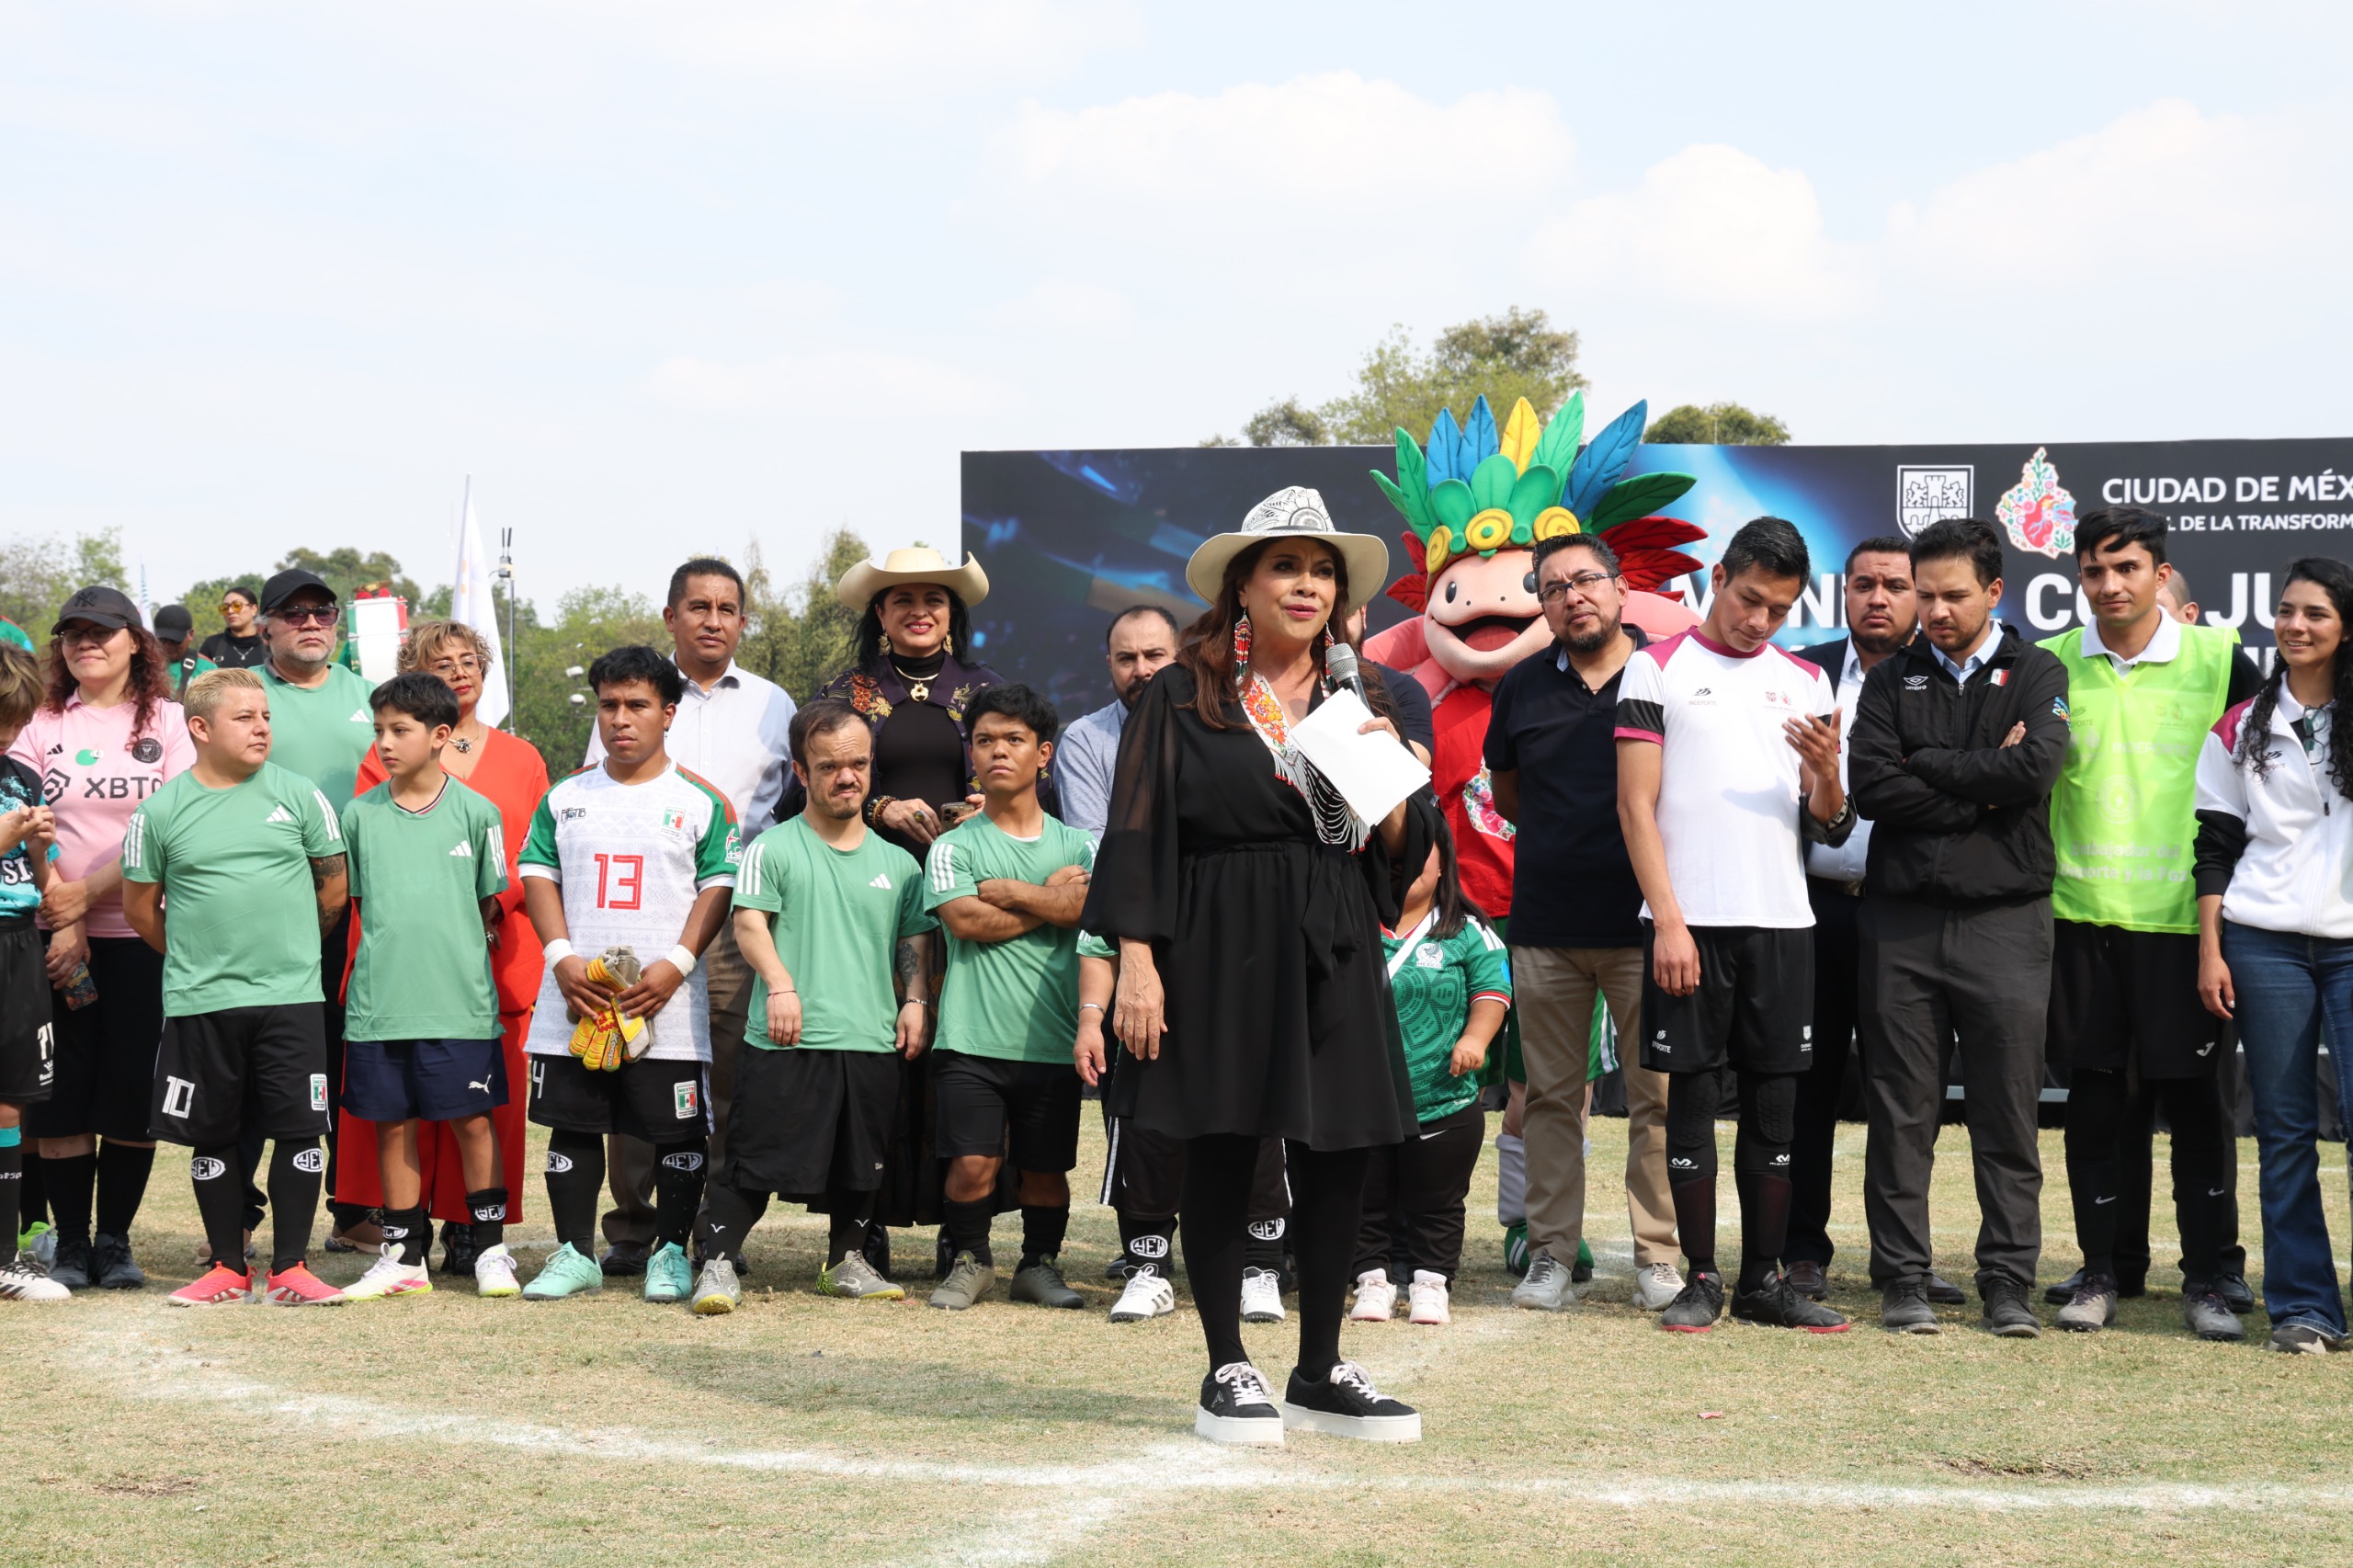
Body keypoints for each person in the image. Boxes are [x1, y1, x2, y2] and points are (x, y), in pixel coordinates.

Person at [1084, 484, 1438, 1447]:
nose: (1306, 585)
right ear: (1242, 584)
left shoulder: (1363, 696)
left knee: (1341, 1150)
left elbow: (1402, 850)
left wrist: (1390, 783)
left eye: (1323, 571)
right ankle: (1225, 1365)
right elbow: (1136, 832)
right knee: (1224, 1143)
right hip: (1216, 936)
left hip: (1334, 935)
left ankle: (1319, 1368)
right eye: (1286, 566)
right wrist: (1137, 959)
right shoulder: (1180, 692)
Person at [1616, 516, 1855, 1334]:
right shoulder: (1656, 667)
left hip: (1783, 924)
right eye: (1750, 599)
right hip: (1689, 925)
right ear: (1718, 578)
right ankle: (1701, 1278)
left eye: (1779, 609)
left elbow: (1829, 822)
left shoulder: (1808, 681)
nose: (1760, 620)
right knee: (1690, 1096)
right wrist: (1670, 923)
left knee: (1776, 1103)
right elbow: (1635, 806)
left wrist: (1827, 774)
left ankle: (1763, 1280)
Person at [2040, 506, 2262, 1338]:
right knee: (2097, 1105)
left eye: (2126, 568)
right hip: (2081, 922)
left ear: (2160, 575)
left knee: (2198, 1106)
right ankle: (2103, 1271)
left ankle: (2208, 1279)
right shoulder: (2051, 660)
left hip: (2187, 927)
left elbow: (2262, 782)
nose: (2109, 585)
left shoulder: (2219, 659)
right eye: (2094, 571)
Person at [1847, 517, 2069, 1336]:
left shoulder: (2037, 670)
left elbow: (2034, 770)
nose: (1936, 611)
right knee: (1900, 1113)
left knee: (2007, 1115)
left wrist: (1930, 766)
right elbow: (1873, 788)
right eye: (1926, 594)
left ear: (1995, 592)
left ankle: (2007, 1282)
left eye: (1954, 596)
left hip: (2006, 924)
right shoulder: (1889, 680)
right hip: (1900, 923)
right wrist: (1983, 789)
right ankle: (1903, 1277)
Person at [795, 544, 1017, 1280]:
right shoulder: (843, 694)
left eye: (934, 599)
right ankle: (861, 1229)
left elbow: (1031, 785)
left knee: (965, 1060)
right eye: (902, 600)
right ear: (879, 613)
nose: (919, 611)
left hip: (973, 898)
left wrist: (990, 803)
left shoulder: (990, 689)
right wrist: (879, 806)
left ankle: (964, 1231)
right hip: (867, 900)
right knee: (873, 1058)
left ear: (953, 613)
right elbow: (801, 791)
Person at [1486, 532, 1680, 1313]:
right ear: (1542, 605)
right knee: (1550, 1098)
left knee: (1656, 1098)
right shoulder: (1521, 685)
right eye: (1554, 587)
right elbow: (1509, 795)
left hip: (1647, 925)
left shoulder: (1666, 674)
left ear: (1621, 588)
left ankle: (1659, 1256)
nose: (1573, 596)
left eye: (1587, 580)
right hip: (1546, 926)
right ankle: (1550, 1256)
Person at [689, 699, 936, 1312]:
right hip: (788, 1037)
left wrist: (914, 1001)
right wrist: (780, 985)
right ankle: (717, 1264)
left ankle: (844, 1263)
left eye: (858, 764)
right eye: (829, 767)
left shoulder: (900, 864)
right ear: (801, 772)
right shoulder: (772, 848)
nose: (846, 777)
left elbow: (913, 938)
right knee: (751, 1164)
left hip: (871, 1037)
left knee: (862, 1165)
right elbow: (749, 924)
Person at [586, 560, 796, 1278]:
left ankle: (715, 1228)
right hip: (644, 915)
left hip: (737, 918)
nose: (713, 620)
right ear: (671, 616)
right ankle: (633, 1225)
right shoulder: (633, 695)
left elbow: (789, 808)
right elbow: (600, 793)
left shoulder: (773, 704)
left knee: (727, 1075)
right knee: (635, 1061)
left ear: (743, 621)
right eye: (698, 606)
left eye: (727, 608)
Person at [515, 646, 737, 1304]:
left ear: (668, 713)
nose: (620, 718)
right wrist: (561, 958)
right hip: (577, 998)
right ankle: (574, 1253)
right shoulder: (565, 796)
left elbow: (719, 885)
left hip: (665, 1002)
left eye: (637, 704)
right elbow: (537, 875)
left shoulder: (701, 801)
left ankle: (669, 1253)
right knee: (574, 1124)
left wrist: (678, 965)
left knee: (677, 1130)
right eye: (609, 704)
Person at [120, 668, 349, 1306]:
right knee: (212, 1133)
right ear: (200, 727)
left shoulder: (300, 794)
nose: (262, 728)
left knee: (300, 1130)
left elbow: (333, 889)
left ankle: (292, 1266)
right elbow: (140, 909)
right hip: (202, 1001)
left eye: (266, 716)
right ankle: (227, 1265)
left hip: (291, 997)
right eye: (245, 717)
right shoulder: (159, 811)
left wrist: (291, 952)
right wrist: (199, 959)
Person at [340, 620, 549, 1275]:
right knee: (399, 1108)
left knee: (478, 1106)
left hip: (491, 953)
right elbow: (370, 870)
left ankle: (474, 1233)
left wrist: (488, 913)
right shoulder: (385, 757)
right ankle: (405, 1238)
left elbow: (531, 852)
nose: (459, 671)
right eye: (441, 663)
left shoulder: (522, 757)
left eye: (468, 660)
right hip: (402, 959)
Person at [8, 586, 192, 1291]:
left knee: (129, 1090)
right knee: (62, 1093)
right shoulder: (41, 722)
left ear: (135, 642)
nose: (86, 642)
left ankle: (114, 1241)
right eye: (73, 632)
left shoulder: (169, 720)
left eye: (102, 631)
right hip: (54, 941)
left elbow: (168, 824)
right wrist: (66, 914)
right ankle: (71, 1243)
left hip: (142, 933)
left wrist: (87, 897)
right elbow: (23, 816)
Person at [2195, 557, 2353, 1353]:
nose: (2295, 626)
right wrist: (2212, 949)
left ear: (2346, 628)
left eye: (2315, 614)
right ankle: (2305, 1309)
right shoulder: (2239, 725)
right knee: (2285, 1131)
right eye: (2287, 611)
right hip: (2262, 943)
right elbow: (2215, 846)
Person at [922, 684, 1094, 1312]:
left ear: (1043, 753)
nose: (998, 751)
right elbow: (966, 921)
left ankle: (1038, 1266)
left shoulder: (1079, 846)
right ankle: (971, 1261)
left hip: (1052, 1039)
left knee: (1046, 1171)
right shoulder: (952, 847)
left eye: (1014, 740)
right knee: (973, 1165)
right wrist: (1052, 898)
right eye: (985, 740)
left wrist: (1016, 892)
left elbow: (1088, 909)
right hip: (970, 1037)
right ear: (971, 753)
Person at [1786, 538, 1922, 1301]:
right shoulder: (1800, 675)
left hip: (1905, 912)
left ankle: (1903, 1259)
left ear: (1919, 596)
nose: (1878, 597)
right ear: (1843, 594)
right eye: (1864, 584)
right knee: (1806, 1087)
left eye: (1895, 585)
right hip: (1811, 910)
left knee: (1905, 1093)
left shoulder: (1939, 680)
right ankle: (1803, 1248)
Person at [252, 568, 381, 1251]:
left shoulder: (370, 697)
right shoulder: (243, 695)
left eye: (322, 612)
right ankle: (236, 1213)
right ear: (263, 626)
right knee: (249, 1054)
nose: (309, 623)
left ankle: (352, 1206)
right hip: (261, 907)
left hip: (354, 907)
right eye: (293, 612)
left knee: (345, 1055)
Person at [1351, 824, 1508, 1326]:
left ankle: (1431, 1283)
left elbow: (1493, 991)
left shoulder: (1468, 930)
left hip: (1443, 1098)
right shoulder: (1350, 917)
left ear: (1443, 865)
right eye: (1393, 858)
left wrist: (1475, 1039)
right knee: (1363, 1197)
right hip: (1360, 1096)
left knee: (1437, 1201)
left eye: (1419, 855)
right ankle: (1371, 1281)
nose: (1405, 867)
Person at [0, 644, 69, 1301]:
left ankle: (5, 1260)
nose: (11, 733)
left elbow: (40, 873)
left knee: (11, 1101)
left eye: (18, 721)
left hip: (20, 944)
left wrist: (40, 848)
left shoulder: (21, 775)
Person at [1055, 607, 1181, 837]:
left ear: (1179, 658)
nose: (1141, 670)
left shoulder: (1210, 728)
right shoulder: (1085, 740)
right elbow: (1092, 846)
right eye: (1127, 659)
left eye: (1154, 655)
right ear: (1110, 665)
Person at [152, 606, 215, 699]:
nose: (168, 646)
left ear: (191, 634)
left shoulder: (207, 668)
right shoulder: (146, 665)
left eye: (175, 641)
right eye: (163, 640)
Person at [199, 586, 266, 669]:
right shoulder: (212, 644)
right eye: (225, 608)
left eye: (237, 605)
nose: (230, 611)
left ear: (254, 609)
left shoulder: (270, 644)